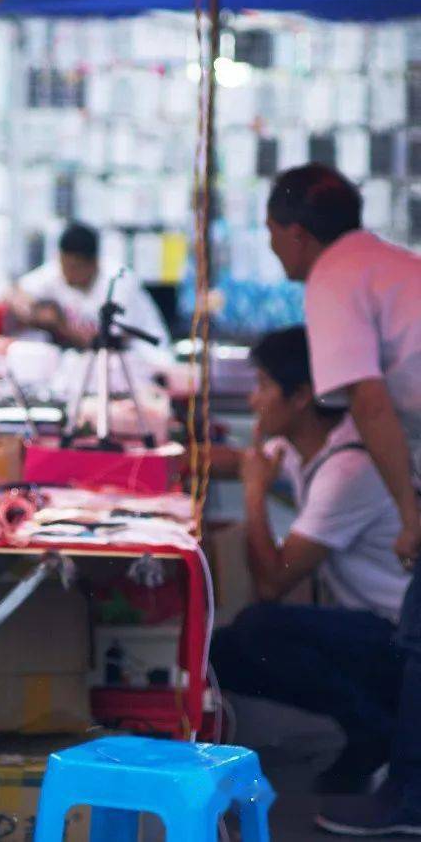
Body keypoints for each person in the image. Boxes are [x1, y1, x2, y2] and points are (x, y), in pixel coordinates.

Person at [264, 163, 421, 834]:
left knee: (417, 633)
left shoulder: (332, 278)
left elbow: (369, 399)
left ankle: (408, 801)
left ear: (297, 234)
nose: (273, 248)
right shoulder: (389, 262)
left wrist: (412, 517)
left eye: (272, 234)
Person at [211, 327, 409, 794]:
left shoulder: (348, 469)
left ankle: (376, 727)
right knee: (221, 652)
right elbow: (239, 460)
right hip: (374, 625)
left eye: (262, 386)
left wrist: (254, 493)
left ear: (300, 396)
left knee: (261, 626)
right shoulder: (309, 444)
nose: (254, 401)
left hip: (402, 637)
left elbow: (272, 583)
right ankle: (375, 718)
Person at [10, 222, 171, 368]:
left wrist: (60, 325)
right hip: (95, 360)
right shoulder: (58, 272)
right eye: (63, 266)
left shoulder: (118, 280)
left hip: (144, 358)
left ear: (93, 263)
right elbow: (17, 292)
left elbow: (109, 342)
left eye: (73, 268)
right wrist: (32, 314)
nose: (67, 274)